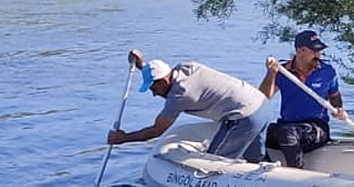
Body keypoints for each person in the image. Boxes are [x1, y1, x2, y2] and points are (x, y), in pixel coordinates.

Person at [108, 49, 270, 163]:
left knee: (212, 163)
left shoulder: (179, 96)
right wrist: (141, 65)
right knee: (255, 159)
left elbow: (157, 130)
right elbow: (161, 73)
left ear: (164, 81)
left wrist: (124, 138)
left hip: (244, 117)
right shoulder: (186, 68)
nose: (154, 94)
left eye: (153, 88)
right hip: (262, 105)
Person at [259, 30, 348, 168]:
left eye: (320, 51)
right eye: (314, 51)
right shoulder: (283, 71)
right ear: (300, 51)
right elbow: (263, 97)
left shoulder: (327, 71)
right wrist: (271, 74)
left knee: (288, 133)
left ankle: (297, 173)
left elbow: (335, 96)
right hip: (287, 124)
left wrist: (339, 109)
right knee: (255, 130)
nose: (318, 55)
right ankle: (266, 168)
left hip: (316, 127)